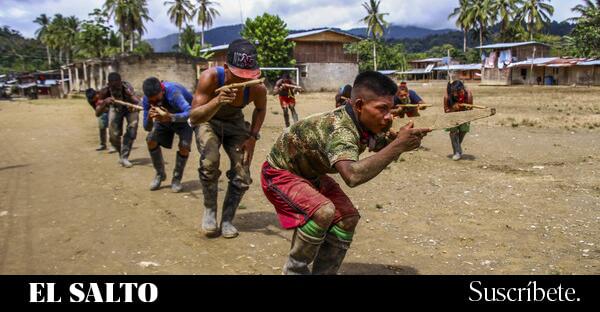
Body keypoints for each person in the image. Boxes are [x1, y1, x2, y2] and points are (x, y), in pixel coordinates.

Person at [261, 71, 431, 274]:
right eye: (382, 109)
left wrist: (396, 141)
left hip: (310, 175)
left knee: (347, 219)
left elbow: (376, 145)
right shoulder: (341, 129)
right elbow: (352, 176)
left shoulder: (361, 123)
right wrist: (398, 147)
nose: (389, 117)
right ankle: (294, 270)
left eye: (391, 109)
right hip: (279, 173)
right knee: (322, 212)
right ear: (359, 105)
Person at [189, 39, 268, 238]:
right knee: (210, 161)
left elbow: (260, 109)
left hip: (235, 123)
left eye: (249, 76)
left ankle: (227, 219)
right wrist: (217, 101)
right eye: (239, 76)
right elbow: (194, 117)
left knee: (242, 171)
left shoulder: (257, 88)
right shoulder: (210, 78)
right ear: (226, 68)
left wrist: (252, 137)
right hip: (208, 120)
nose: (243, 81)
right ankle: (210, 211)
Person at [142, 77, 193, 193]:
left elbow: (190, 112)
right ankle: (160, 174)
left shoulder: (173, 92)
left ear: (162, 90)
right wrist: (149, 117)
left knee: (184, 146)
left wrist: (170, 117)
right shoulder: (146, 100)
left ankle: (176, 179)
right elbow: (146, 127)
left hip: (183, 121)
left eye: (157, 99)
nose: (154, 103)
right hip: (163, 120)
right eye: (151, 101)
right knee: (150, 140)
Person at [95, 73, 141, 168]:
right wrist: (104, 102)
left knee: (132, 129)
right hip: (115, 108)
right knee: (113, 134)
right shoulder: (104, 91)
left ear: (121, 82)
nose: (117, 90)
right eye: (114, 87)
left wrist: (133, 100)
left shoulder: (127, 88)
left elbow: (138, 103)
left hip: (129, 108)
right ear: (109, 84)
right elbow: (97, 113)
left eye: (118, 86)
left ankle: (124, 157)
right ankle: (121, 154)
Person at [444, 80, 473, 161]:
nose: (458, 94)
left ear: (463, 89)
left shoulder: (468, 94)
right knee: (453, 133)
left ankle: (457, 148)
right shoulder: (447, 97)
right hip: (452, 116)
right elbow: (446, 111)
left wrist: (466, 108)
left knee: (463, 131)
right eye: (455, 92)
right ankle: (457, 152)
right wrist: (453, 108)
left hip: (465, 116)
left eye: (460, 91)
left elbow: (471, 109)